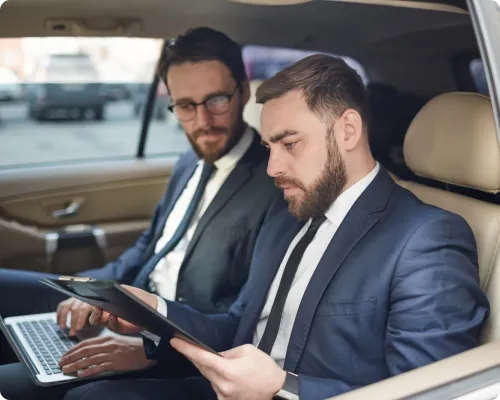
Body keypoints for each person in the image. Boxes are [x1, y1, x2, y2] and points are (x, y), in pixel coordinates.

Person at [63, 54, 490, 400]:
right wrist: (155, 313)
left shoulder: (426, 238)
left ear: (348, 130)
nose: (272, 167)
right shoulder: (290, 216)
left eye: (289, 144)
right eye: (269, 147)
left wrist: (283, 388)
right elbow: (237, 329)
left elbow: (429, 393)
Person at [0, 27, 285, 399]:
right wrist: (90, 290)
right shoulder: (189, 162)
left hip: (178, 348)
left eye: (216, 100)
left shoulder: (276, 183)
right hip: (124, 313)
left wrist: (153, 350)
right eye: (185, 106)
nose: (201, 122)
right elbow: (147, 249)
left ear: (243, 91)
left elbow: (242, 324)